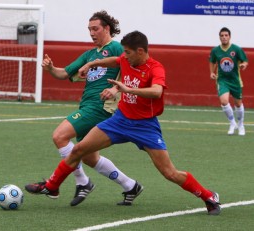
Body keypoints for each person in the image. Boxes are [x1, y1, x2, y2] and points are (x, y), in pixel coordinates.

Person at [26, 31, 221, 215]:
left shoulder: (155, 67)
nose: (124, 56)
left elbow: (157, 92)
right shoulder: (126, 60)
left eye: (128, 52)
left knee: (169, 173)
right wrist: (93, 63)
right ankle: (51, 187)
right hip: (119, 121)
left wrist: (127, 89)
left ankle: (208, 196)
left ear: (141, 51)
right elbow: (114, 60)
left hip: (145, 126)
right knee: (79, 150)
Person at [25, 11, 143, 206]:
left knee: (60, 136)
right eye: (89, 29)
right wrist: (51, 68)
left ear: (107, 28)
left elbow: (131, 69)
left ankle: (80, 182)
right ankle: (130, 185)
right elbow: (64, 74)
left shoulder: (115, 48)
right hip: (87, 105)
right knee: (88, 157)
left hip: (100, 107)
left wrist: (115, 88)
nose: (91, 33)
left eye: (95, 29)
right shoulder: (89, 54)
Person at [209, 27, 248, 136]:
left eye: (226, 35)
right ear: (219, 37)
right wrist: (212, 72)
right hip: (222, 80)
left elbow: (245, 60)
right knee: (224, 101)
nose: (224, 37)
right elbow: (212, 61)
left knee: (238, 104)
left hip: (235, 81)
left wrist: (244, 64)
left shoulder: (236, 49)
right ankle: (232, 123)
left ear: (229, 37)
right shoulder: (215, 50)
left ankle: (241, 124)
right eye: (222, 35)